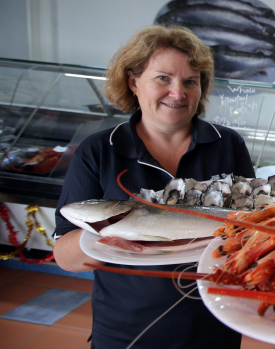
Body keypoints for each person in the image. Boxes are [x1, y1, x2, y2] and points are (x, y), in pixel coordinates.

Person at [53, 25, 254, 349]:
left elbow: (250, 227)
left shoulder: (228, 144)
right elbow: (65, 257)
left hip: (215, 321)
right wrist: (102, 235)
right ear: (133, 81)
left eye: (190, 81)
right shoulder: (98, 150)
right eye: (163, 78)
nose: (178, 93)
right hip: (127, 328)